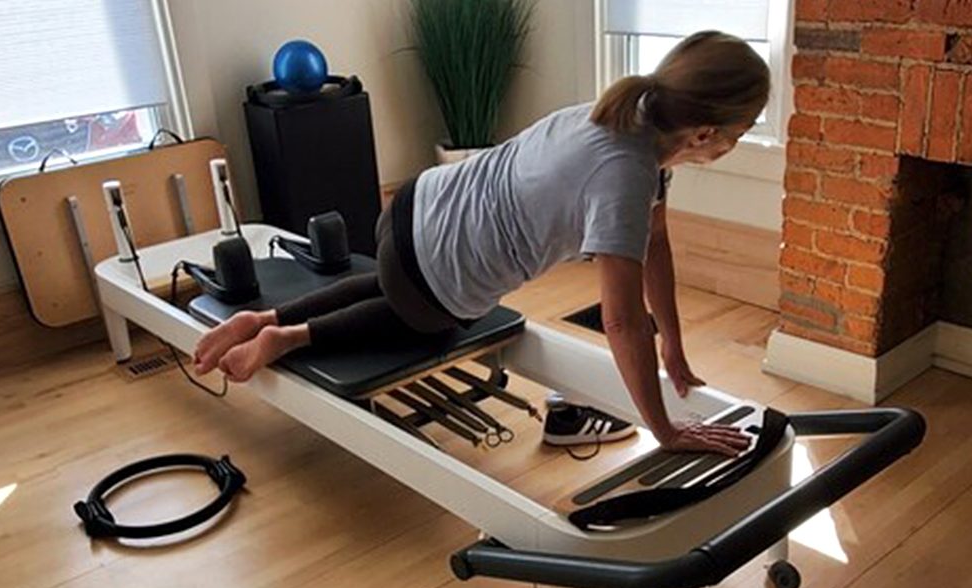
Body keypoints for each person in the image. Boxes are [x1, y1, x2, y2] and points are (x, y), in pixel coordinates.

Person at [193, 31, 770, 457]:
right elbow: (621, 323)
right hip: (429, 268)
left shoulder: (629, 111)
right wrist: (666, 431)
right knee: (433, 319)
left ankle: (261, 317)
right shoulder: (627, 173)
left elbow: (657, 244)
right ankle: (285, 335)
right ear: (705, 134)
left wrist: (672, 342)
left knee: (400, 289)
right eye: (739, 135)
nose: (734, 147)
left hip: (413, 206)